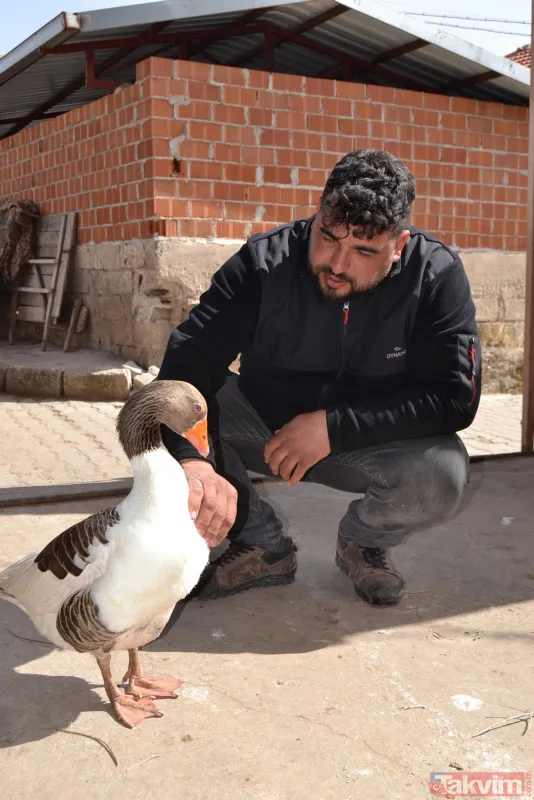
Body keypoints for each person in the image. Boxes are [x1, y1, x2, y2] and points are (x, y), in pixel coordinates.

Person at [158, 149, 481, 607]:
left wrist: (334, 427)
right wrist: (193, 463)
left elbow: (455, 397)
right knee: (159, 413)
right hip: (262, 426)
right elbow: (187, 362)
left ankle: (363, 542)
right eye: (327, 237)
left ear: (399, 246)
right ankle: (262, 545)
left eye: (364, 251)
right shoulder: (262, 264)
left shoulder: (434, 275)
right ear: (317, 213)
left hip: (369, 442)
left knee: (443, 473)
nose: (338, 264)